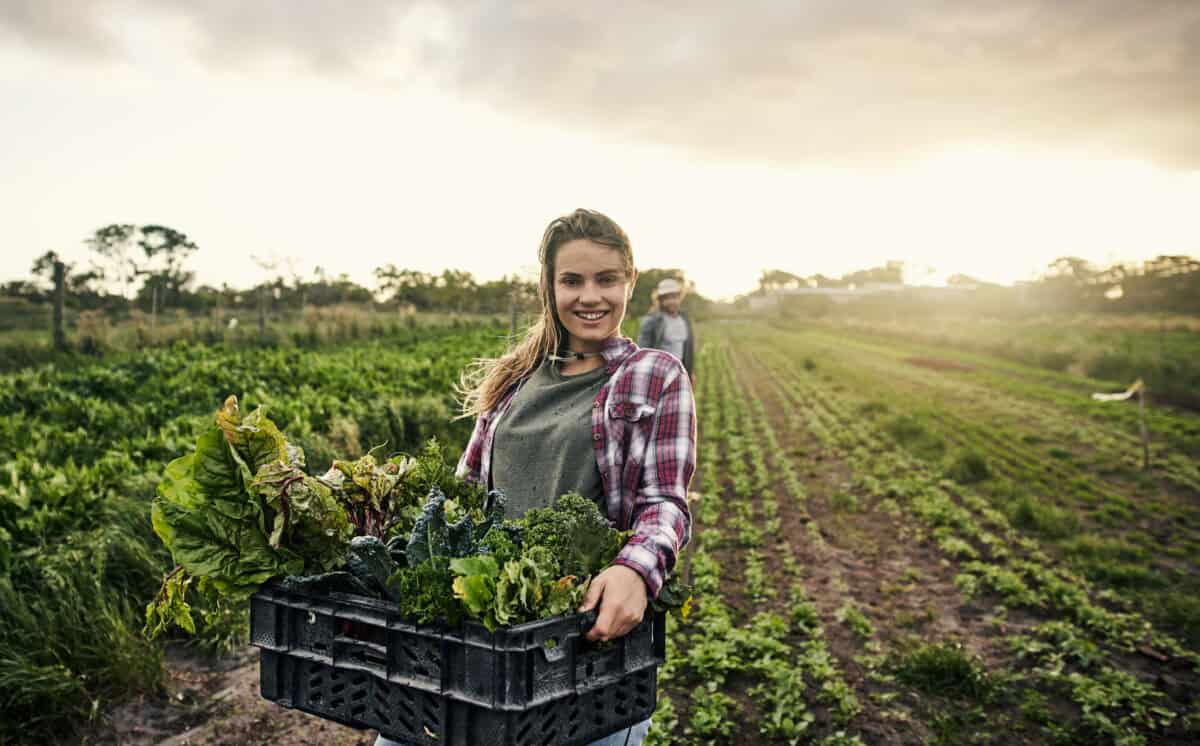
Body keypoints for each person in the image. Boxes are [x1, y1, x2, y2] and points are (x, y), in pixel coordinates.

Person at [374, 209, 695, 746]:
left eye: (606, 279)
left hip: (581, 649)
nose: (589, 296)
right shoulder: (514, 379)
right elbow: (465, 489)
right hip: (481, 638)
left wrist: (635, 571)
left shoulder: (654, 375)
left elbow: (664, 501)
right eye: (571, 280)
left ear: (629, 282)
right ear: (548, 286)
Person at [637, 278, 694, 379]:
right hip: (659, 374)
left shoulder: (684, 318)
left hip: (680, 373)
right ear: (660, 300)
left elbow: (687, 349)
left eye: (674, 297)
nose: (671, 301)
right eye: (667, 298)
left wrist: (690, 373)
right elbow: (643, 352)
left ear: (679, 297)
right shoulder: (653, 320)